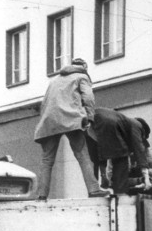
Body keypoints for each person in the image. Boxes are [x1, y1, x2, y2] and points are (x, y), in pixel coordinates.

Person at [33, 58, 108, 200]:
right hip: (71, 118)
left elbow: (45, 102)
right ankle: (94, 190)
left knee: (47, 160)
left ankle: (41, 195)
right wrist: (89, 117)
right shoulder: (82, 76)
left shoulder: (54, 80)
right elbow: (89, 97)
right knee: (82, 154)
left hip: (49, 120)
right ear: (84, 67)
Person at [86, 108, 152, 195]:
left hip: (91, 123)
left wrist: (103, 176)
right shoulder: (137, 125)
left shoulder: (122, 124)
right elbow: (139, 150)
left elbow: (102, 154)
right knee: (121, 158)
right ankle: (120, 194)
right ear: (143, 133)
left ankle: (93, 190)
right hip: (105, 123)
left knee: (94, 159)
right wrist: (146, 179)